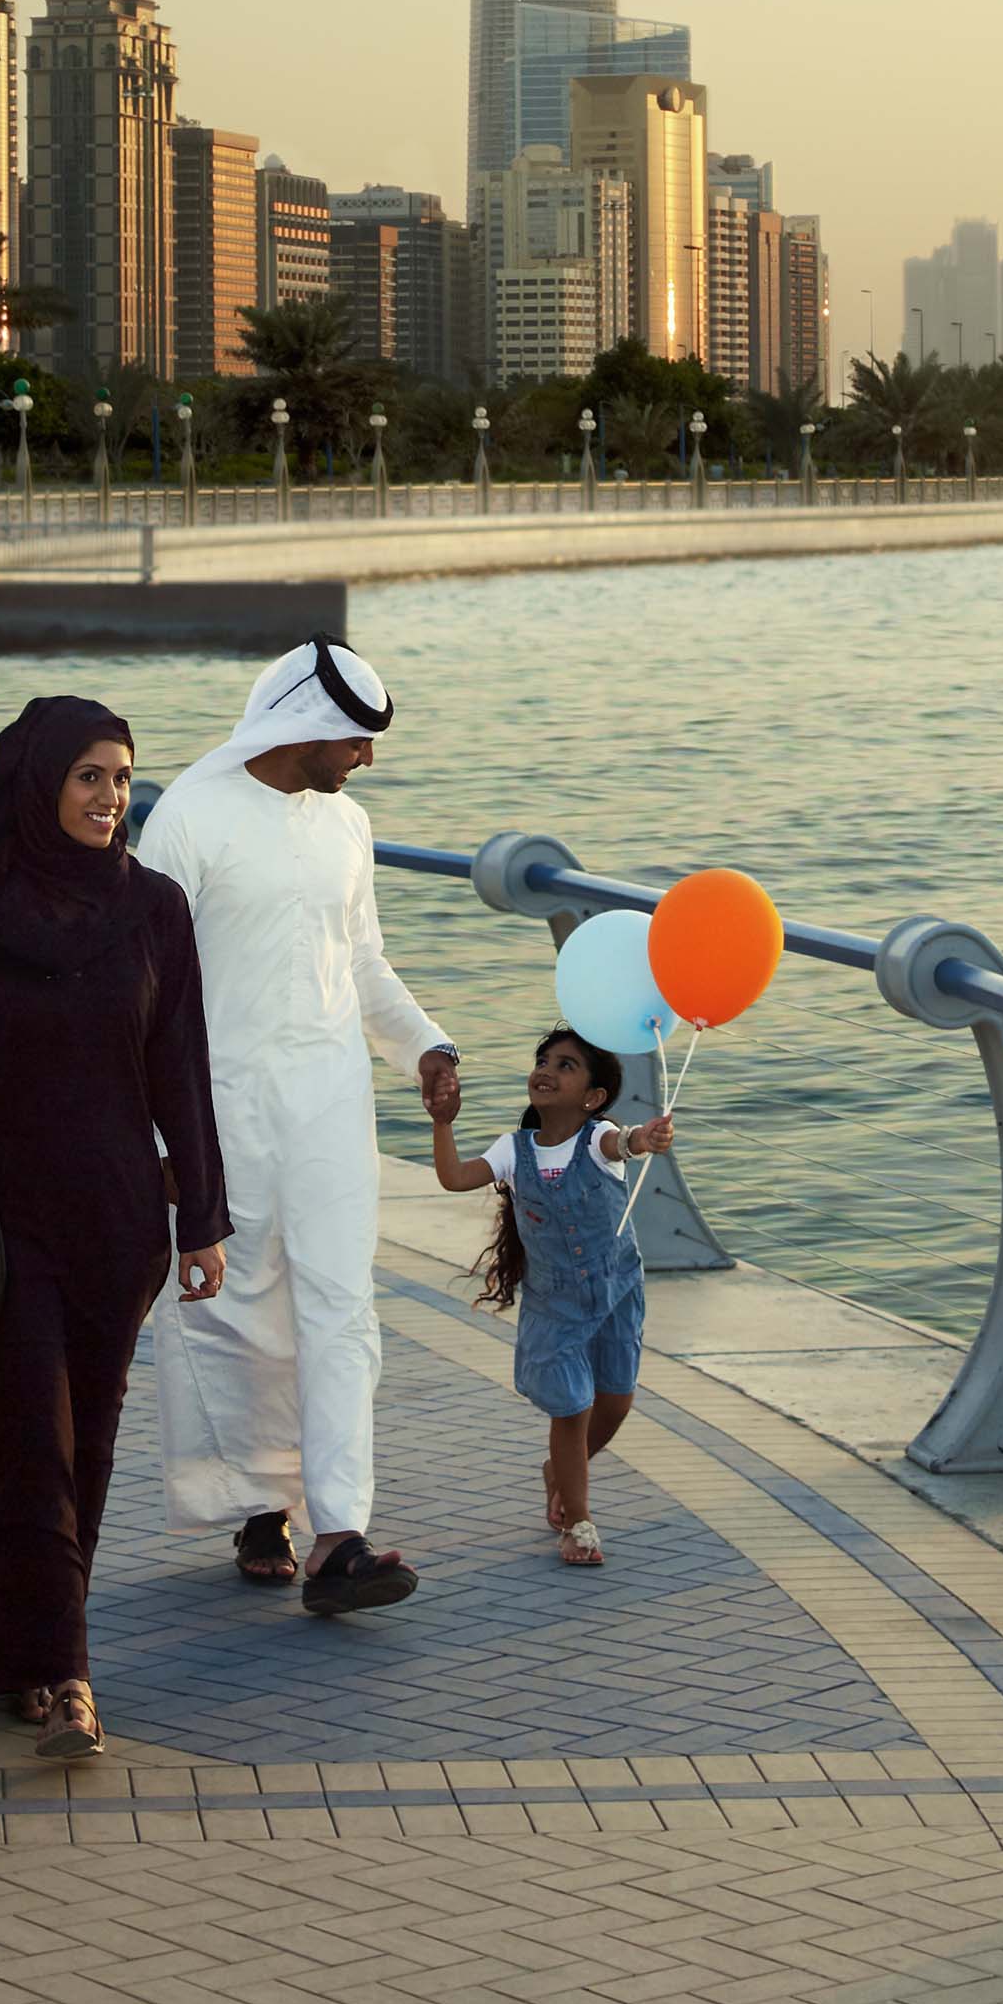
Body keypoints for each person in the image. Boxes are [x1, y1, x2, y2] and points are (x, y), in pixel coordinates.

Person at [0, 696, 228, 1758]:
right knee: (33, 1445)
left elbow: (179, 1072)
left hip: (116, 1228)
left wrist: (201, 1217)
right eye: (88, 778)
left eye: (120, 778)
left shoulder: (156, 911)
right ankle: (67, 1678)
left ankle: (27, 1647)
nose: (111, 798)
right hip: (8, 1224)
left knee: (88, 1445)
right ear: (41, 786)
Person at [133, 642, 459, 1617]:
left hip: (326, 1105)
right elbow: (140, 995)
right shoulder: (187, 820)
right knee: (233, 1315)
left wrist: (427, 1047)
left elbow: (362, 965)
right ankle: (257, 1506)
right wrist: (156, 1135)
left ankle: (339, 1533)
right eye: (354, 740)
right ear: (301, 724)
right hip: (217, 1106)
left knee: (339, 1308)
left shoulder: (346, 827)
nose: (364, 758)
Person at [428, 1030, 678, 1566]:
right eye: (544, 1061)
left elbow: (624, 1143)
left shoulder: (596, 1138)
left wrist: (646, 1137)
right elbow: (453, 1178)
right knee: (572, 1408)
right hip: (555, 1302)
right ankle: (581, 1523)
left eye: (566, 1066)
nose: (547, 1070)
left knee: (617, 1400)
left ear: (592, 1098)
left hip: (615, 1290)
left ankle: (559, 1471)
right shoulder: (512, 1151)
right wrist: (443, 1123)